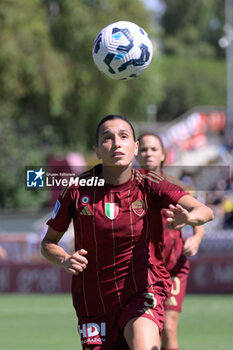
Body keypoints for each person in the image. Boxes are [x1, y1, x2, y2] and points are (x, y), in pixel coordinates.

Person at [41, 115, 213, 350]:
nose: (117, 143)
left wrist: (189, 218)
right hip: (95, 300)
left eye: (124, 137)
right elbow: (48, 243)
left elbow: (204, 211)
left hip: (143, 289)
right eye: (107, 138)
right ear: (98, 150)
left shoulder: (151, 183)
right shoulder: (76, 190)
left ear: (135, 148)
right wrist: (64, 259)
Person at [137, 132, 205, 350]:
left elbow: (198, 217)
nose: (148, 153)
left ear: (163, 155)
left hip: (173, 266)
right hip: (142, 271)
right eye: (144, 149)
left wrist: (196, 238)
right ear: (136, 153)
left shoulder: (174, 186)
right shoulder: (127, 188)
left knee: (168, 327)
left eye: (154, 149)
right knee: (145, 330)